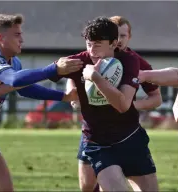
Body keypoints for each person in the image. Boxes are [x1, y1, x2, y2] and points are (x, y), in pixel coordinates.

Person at [0, 13, 82, 191]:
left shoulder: (13, 62)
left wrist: (64, 97)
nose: (22, 39)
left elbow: (24, 87)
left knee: (5, 189)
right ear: (0, 38)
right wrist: (53, 69)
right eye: (17, 35)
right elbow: (15, 80)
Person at [54, 16, 158, 191]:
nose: (92, 51)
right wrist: (70, 87)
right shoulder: (82, 60)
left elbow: (124, 105)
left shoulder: (130, 60)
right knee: (89, 187)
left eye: (97, 45)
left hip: (130, 138)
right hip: (98, 142)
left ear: (113, 43)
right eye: (89, 44)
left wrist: (95, 77)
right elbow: (48, 73)